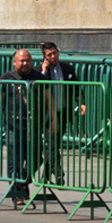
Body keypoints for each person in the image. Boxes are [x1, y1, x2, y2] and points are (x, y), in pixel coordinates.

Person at [0, 47, 43, 205]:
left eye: (28, 60)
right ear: (15, 62)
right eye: (22, 60)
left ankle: (22, 184)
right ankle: (18, 195)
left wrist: (53, 120)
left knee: (36, 158)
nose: (25, 63)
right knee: (15, 161)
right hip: (14, 126)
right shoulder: (7, 78)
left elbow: (48, 100)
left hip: (33, 126)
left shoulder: (38, 77)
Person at [37, 42, 81, 187]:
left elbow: (76, 86)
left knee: (53, 143)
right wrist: (44, 72)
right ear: (44, 57)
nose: (53, 56)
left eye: (55, 53)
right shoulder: (39, 71)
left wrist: (81, 102)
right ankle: (57, 171)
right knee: (52, 142)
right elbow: (37, 88)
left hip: (62, 111)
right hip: (47, 114)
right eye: (49, 54)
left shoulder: (67, 68)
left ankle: (47, 175)